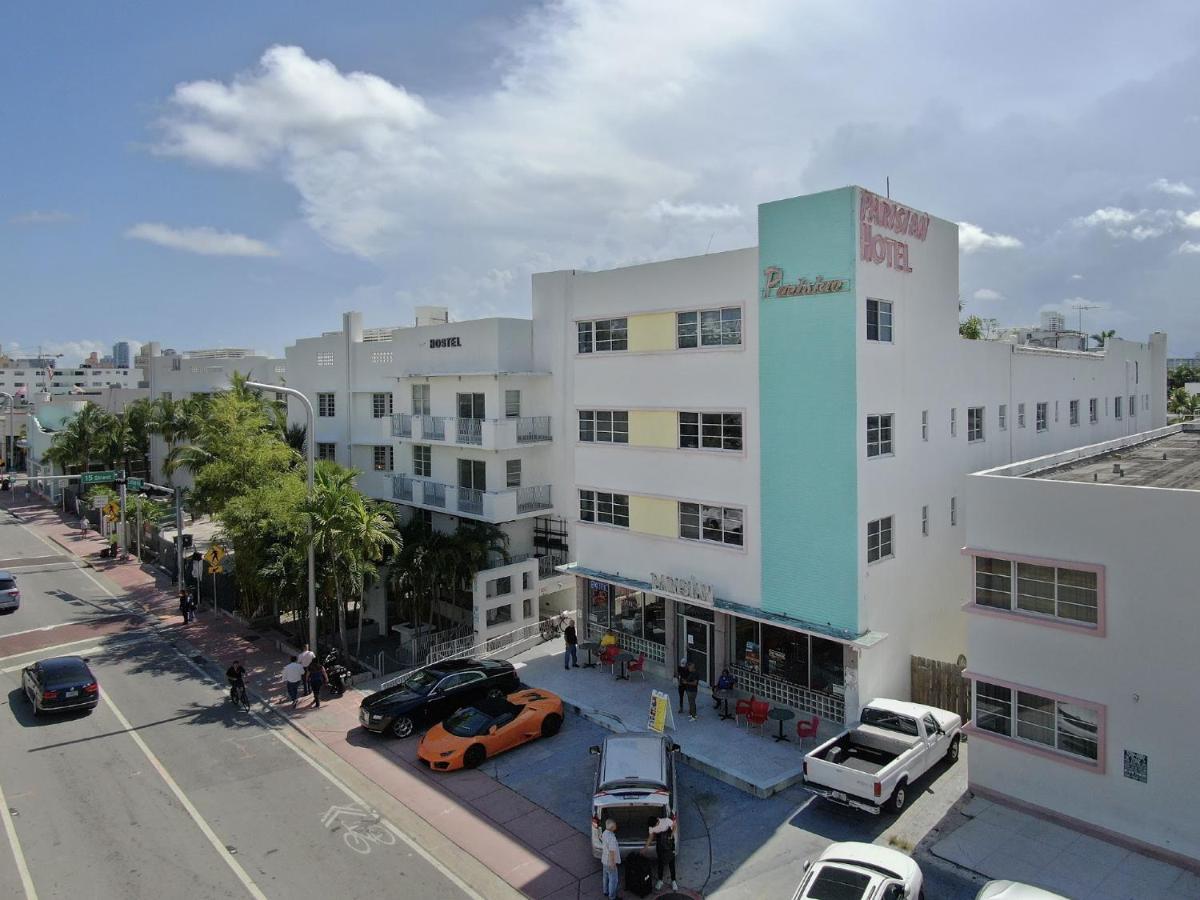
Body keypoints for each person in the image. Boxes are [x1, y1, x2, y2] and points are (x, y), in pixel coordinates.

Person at [645, 815, 678, 892]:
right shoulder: (651, 827)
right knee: (660, 863)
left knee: (671, 863)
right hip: (660, 846)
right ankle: (660, 880)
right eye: (654, 826)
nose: (656, 826)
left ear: (657, 819)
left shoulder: (666, 820)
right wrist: (646, 847)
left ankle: (673, 881)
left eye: (656, 824)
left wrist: (671, 834)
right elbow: (651, 836)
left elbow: (674, 825)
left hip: (669, 843)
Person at [600, 818, 621, 900]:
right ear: (612, 827)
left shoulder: (604, 833)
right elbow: (612, 852)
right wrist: (613, 863)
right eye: (615, 825)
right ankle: (612, 897)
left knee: (605, 876)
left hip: (604, 860)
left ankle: (605, 891)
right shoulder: (612, 838)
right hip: (610, 862)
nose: (616, 826)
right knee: (613, 880)